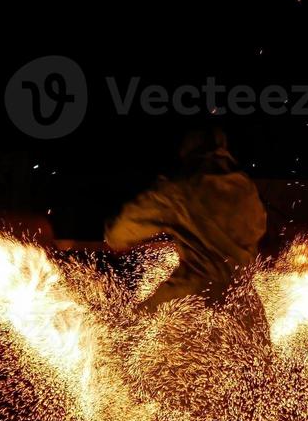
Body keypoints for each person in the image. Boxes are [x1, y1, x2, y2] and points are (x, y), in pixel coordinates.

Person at [105, 128, 268, 325]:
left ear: (187, 151)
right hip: (247, 309)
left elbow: (118, 233)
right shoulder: (247, 190)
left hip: (194, 301)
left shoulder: (180, 189)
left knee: (128, 327)